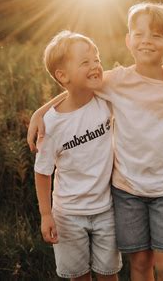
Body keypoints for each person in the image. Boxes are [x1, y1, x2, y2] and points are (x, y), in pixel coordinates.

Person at [30, 2, 163, 281]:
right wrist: (41, 111)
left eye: (156, 35)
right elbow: (79, 85)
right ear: (128, 40)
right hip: (126, 191)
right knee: (141, 263)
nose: (146, 40)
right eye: (139, 34)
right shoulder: (118, 80)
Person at [34, 31, 121, 281]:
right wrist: (46, 214)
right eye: (85, 62)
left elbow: (138, 77)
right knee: (79, 276)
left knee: (108, 274)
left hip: (107, 209)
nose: (95, 65)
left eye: (96, 58)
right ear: (62, 75)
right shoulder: (51, 124)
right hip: (68, 215)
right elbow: (42, 172)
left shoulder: (105, 99)